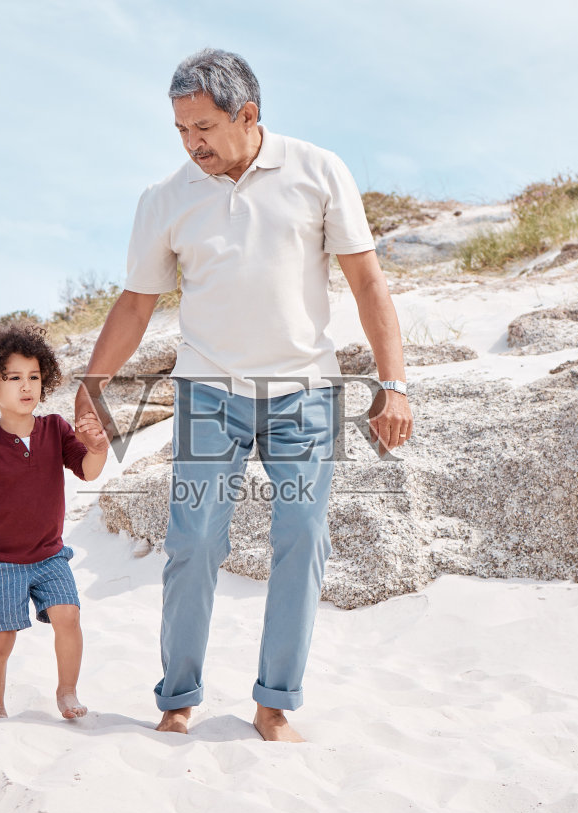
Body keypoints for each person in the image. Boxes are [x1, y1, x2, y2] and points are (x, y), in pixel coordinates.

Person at [74, 49, 415, 742]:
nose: (191, 143)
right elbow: (137, 305)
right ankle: (178, 697)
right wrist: (91, 389)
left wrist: (394, 383)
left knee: (303, 535)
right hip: (207, 392)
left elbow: (368, 283)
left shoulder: (319, 171)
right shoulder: (166, 199)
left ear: (248, 115)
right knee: (194, 539)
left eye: (202, 126)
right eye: (179, 130)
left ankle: (274, 703)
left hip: (305, 393)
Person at [0, 321, 110, 721]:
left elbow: (87, 470)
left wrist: (99, 447)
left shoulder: (55, 428)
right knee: (1, 639)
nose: (26, 386)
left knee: (68, 615)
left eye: (34, 376)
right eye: (13, 377)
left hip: (49, 554)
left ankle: (67, 692)